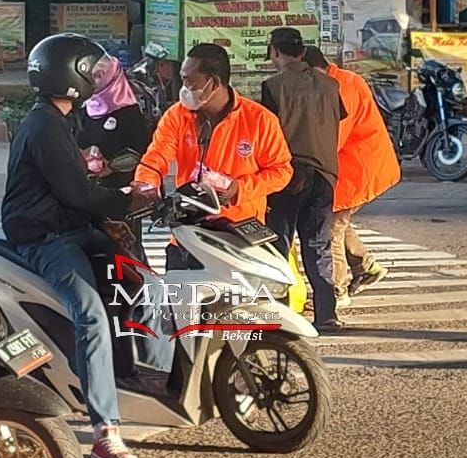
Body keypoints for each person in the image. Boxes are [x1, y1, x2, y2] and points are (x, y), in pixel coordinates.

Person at [1, 32, 164, 458]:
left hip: (71, 225)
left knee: (139, 278)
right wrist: (128, 203)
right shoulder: (44, 126)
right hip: (45, 236)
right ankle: (105, 431)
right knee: (90, 311)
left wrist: (114, 221)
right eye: (89, 70)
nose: (96, 77)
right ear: (70, 75)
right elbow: (76, 193)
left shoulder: (63, 118)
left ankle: (147, 376)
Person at [133, 43, 293, 271]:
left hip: (237, 236)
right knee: (179, 301)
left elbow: (281, 171)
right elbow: (156, 156)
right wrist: (146, 183)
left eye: (190, 81)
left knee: (237, 305)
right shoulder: (177, 116)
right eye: (182, 78)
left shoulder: (259, 120)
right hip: (186, 233)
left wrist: (239, 189)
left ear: (214, 83)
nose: (183, 86)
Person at [261, 28, 347, 332]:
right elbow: (339, 118)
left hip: (287, 173)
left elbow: (268, 133)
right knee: (319, 244)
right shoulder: (330, 84)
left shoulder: (273, 86)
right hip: (324, 173)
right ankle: (326, 314)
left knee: (278, 245)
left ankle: (279, 313)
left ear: (275, 52)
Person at [302, 47, 400, 306]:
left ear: (313, 70)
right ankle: (366, 266)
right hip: (352, 166)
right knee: (337, 222)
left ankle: (336, 292)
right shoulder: (340, 81)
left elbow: (332, 137)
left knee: (331, 227)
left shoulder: (341, 87)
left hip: (358, 167)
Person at [76, 52, 153, 262]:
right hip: (92, 193)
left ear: (113, 76)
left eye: (100, 76)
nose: (95, 81)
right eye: (93, 76)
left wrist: (112, 166)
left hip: (121, 194)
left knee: (126, 249)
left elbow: (143, 153)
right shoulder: (85, 108)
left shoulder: (129, 112)